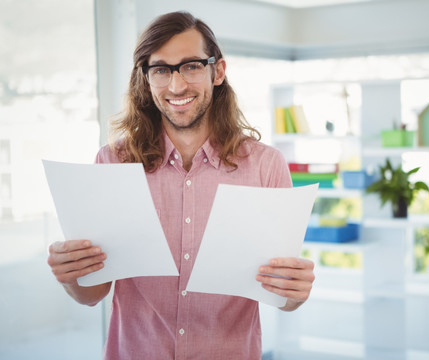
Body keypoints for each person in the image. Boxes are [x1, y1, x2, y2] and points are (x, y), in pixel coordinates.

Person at [46, 10, 315, 360]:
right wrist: (71, 276)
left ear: (217, 71)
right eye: (161, 70)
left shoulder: (265, 166)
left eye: (190, 66)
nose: (176, 86)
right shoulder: (113, 162)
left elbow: (284, 298)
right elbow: (93, 292)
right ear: (146, 78)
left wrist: (295, 290)